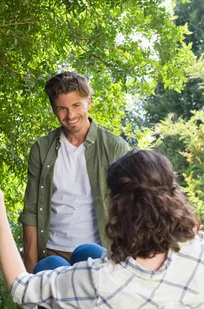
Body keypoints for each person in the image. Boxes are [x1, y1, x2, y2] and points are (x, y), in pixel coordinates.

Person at [0, 136, 204, 309]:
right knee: (87, 251)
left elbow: (20, 289)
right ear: (172, 195)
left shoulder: (103, 279)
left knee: (51, 263)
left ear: (118, 206)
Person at [19, 71, 129, 273]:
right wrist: (30, 269)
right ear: (53, 109)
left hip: (100, 254)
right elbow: (31, 211)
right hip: (52, 254)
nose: (70, 115)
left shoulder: (115, 147)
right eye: (62, 108)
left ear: (89, 102)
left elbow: (130, 208)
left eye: (76, 105)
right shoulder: (41, 149)